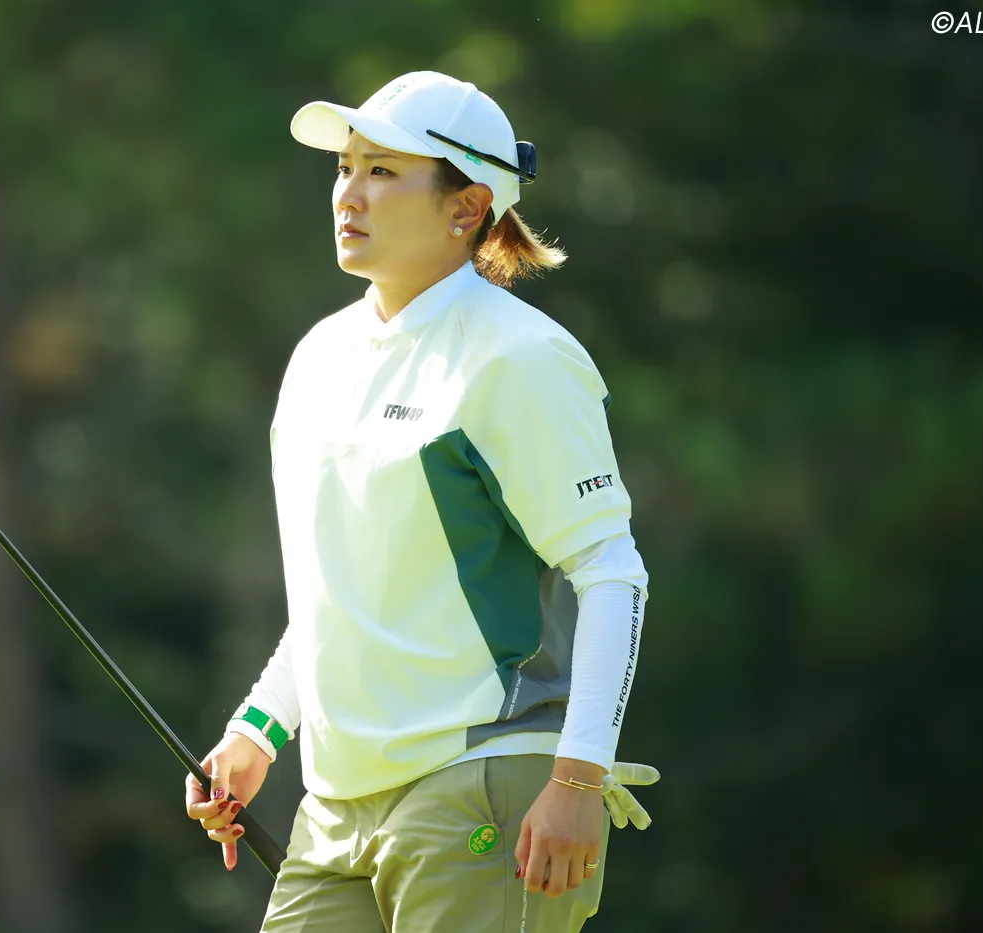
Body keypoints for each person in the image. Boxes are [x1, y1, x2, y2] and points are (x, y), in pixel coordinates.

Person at [184, 70, 658, 933]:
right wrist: (259, 728)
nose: (349, 193)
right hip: (336, 801)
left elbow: (611, 572)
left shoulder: (519, 356)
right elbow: (343, 590)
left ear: (467, 206)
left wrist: (578, 776)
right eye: (345, 168)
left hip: (482, 777)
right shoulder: (319, 356)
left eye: (382, 171)